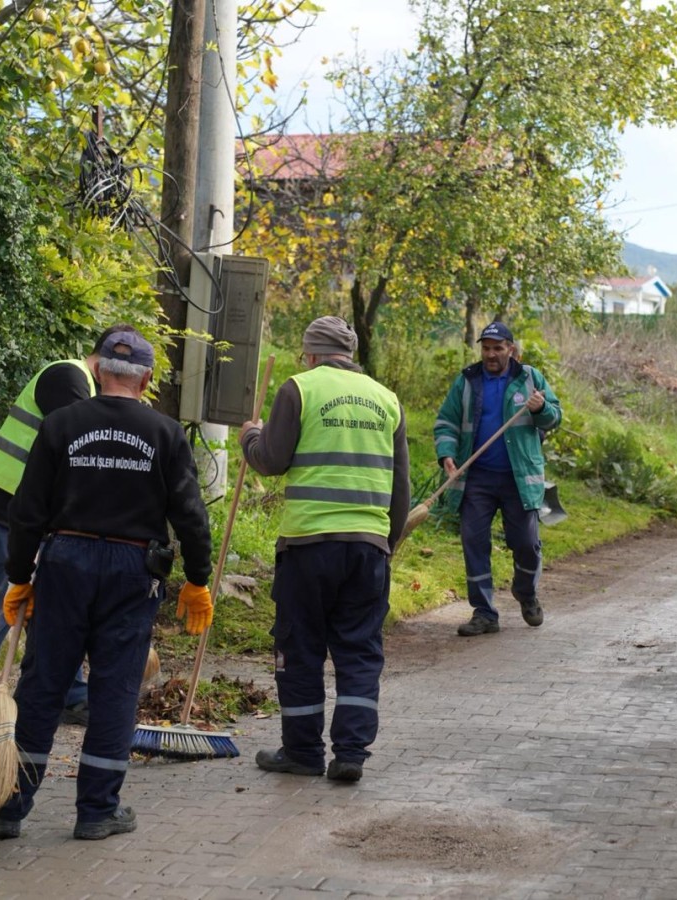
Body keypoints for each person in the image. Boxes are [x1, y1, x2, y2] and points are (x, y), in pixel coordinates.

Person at [0, 330, 214, 840]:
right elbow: (191, 516)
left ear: (99, 371)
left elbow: (26, 510)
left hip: (65, 562)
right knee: (115, 689)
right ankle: (96, 812)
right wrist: (198, 579)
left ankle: (9, 806)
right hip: (133, 571)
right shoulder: (165, 433)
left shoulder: (62, 424)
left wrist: (20, 576)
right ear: (147, 380)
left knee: (43, 686)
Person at [0, 327, 135, 740]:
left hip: (38, 520)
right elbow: (81, 448)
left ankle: (67, 695)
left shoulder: (85, 388)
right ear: (105, 364)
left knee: (56, 611)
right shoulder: (67, 379)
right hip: (2, 513)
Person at [239, 316, 410, 783]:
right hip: (368, 548)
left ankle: (303, 752)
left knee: (300, 648)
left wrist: (249, 437)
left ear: (311, 354)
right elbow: (401, 489)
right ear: (350, 355)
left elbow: (271, 460)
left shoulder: (299, 388)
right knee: (359, 651)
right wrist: (386, 544)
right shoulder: (386, 399)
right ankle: (351, 753)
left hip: (308, 546)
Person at [434, 320, 562, 637]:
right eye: (486, 348)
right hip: (476, 479)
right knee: (474, 542)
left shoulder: (529, 378)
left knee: (527, 544)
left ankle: (526, 592)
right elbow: (446, 421)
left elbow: (555, 417)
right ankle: (484, 613)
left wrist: (542, 406)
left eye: (498, 348)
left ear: (511, 350)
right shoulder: (466, 381)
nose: (491, 354)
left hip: (519, 479)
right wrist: (447, 453)